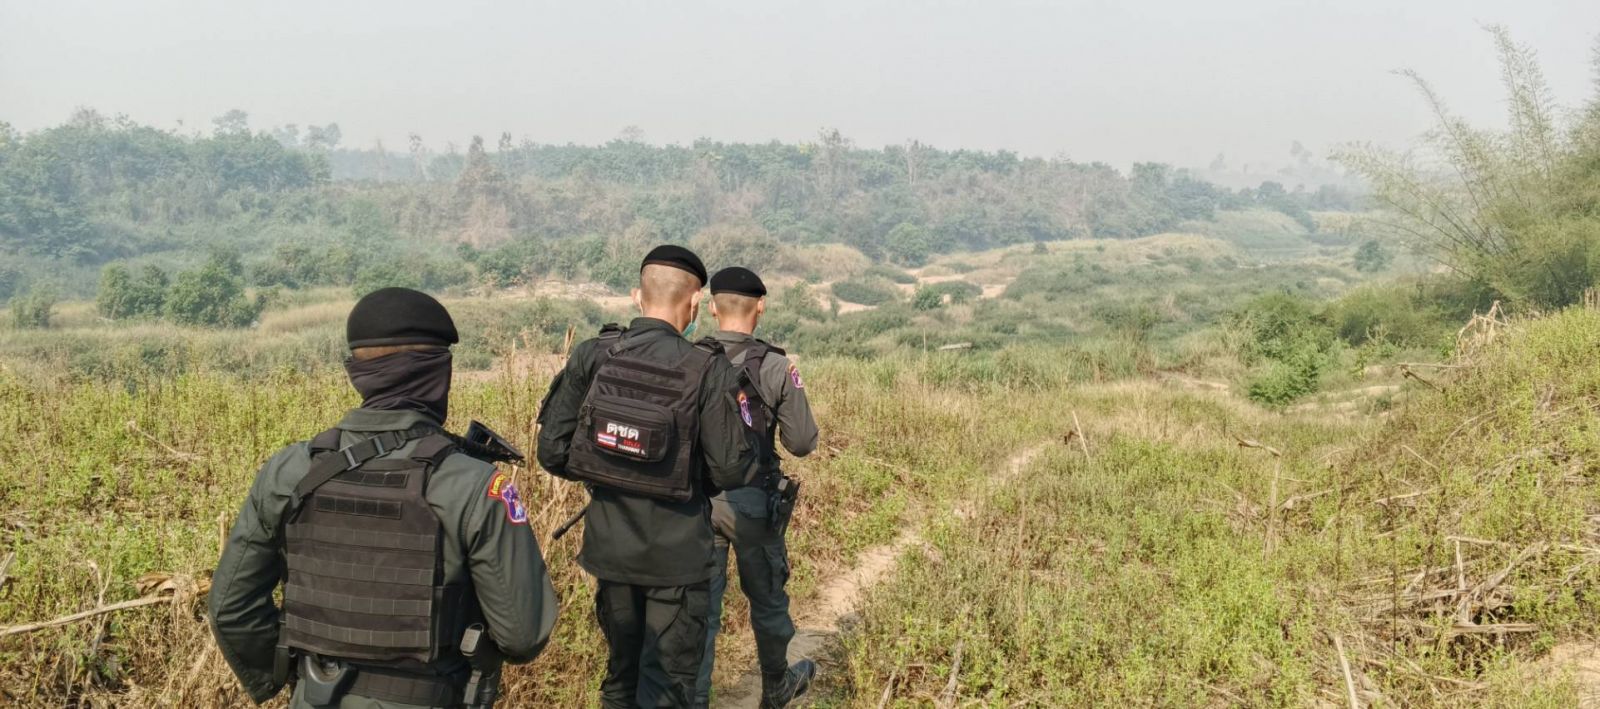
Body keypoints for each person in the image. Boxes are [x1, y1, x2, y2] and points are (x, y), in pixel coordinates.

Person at [208, 287, 559, 709]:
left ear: (357, 371)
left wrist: (294, 678)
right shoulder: (472, 484)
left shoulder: (289, 471)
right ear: (436, 375)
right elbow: (522, 635)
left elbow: (230, 609)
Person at [536, 245, 759, 708]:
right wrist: (682, 477)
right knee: (666, 688)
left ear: (638, 296)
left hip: (609, 551)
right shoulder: (708, 368)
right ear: (695, 302)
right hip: (678, 558)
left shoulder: (595, 354)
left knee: (620, 679)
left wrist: (608, 467)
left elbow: (553, 452)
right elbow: (731, 469)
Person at [696, 267, 818, 709]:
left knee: (700, 612)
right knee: (767, 600)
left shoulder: (690, 359)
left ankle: (696, 698)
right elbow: (801, 443)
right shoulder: (777, 366)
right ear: (760, 306)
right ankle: (776, 686)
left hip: (696, 504)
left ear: (712, 307)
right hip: (753, 503)